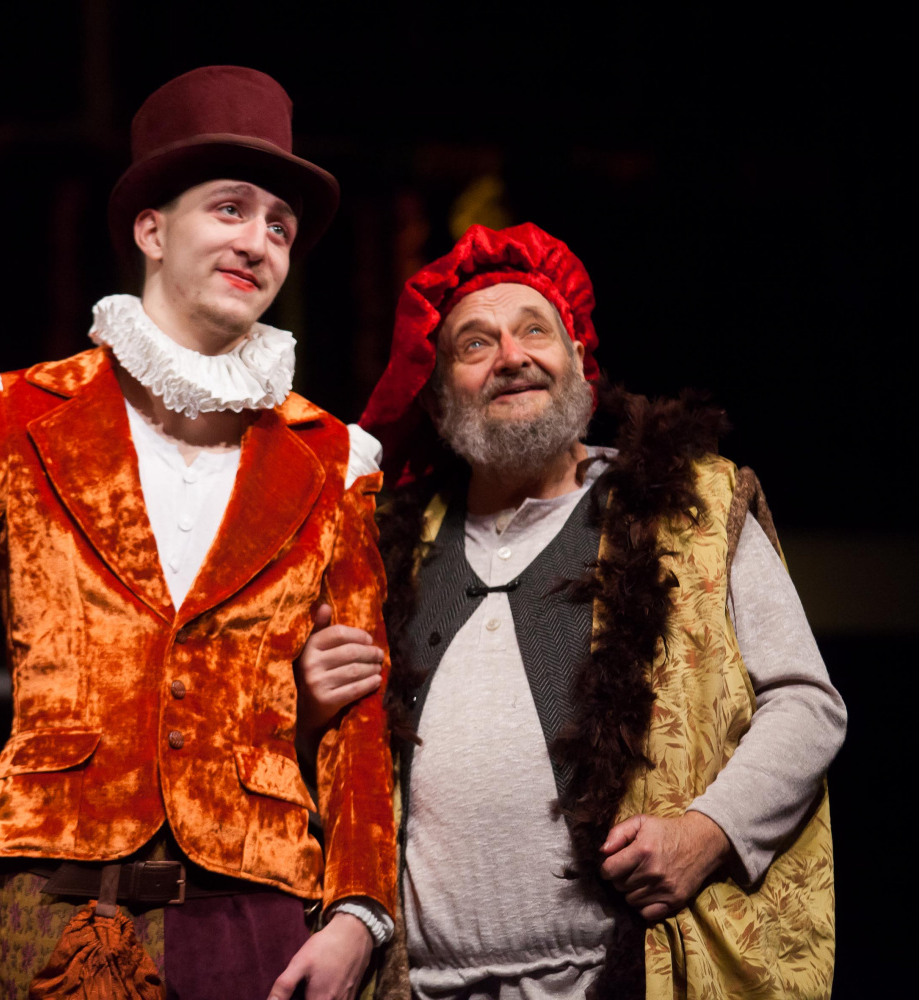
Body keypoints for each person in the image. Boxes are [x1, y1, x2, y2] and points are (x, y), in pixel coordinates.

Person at [0, 67, 395, 1000]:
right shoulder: (22, 410)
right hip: (61, 891)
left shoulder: (332, 456)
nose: (259, 242)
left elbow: (360, 706)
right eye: (231, 209)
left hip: (255, 901)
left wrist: (360, 912)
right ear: (151, 231)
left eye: (280, 226)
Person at [298, 223, 845, 999]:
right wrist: (309, 716)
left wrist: (711, 830)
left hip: (629, 979)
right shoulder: (383, 551)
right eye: (475, 343)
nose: (511, 356)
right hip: (422, 987)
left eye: (534, 331)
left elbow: (806, 703)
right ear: (438, 395)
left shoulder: (691, 507)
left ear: (579, 362)